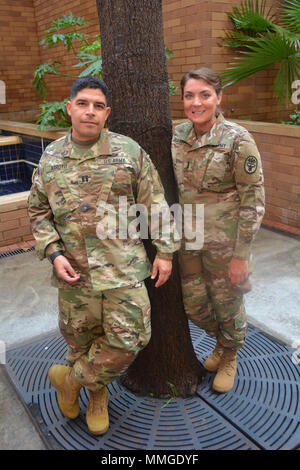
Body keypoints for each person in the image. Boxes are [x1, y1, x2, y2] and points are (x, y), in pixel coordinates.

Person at [28, 76, 180, 435]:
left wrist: (166, 251)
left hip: (123, 269)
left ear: (107, 112)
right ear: (70, 108)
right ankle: (97, 395)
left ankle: (71, 381)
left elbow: (154, 203)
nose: (90, 112)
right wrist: (52, 253)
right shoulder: (50, 159)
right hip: (74, 273)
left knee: (131, 338)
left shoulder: (128, 152)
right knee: (80, 339)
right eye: (83, 103)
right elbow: (38, 212)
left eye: (98, 105)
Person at [172, 67, 265, 393]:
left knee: (227, 304)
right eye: (189, 95)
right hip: (190, 241)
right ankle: (223, 343)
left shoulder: (238, 140)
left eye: (204, 95)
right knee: (195, 304)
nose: (196, 102)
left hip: (226, 245)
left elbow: (253, 201)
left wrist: (241, 256)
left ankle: (230, 355)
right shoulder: (177, 136)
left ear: (219, 98)